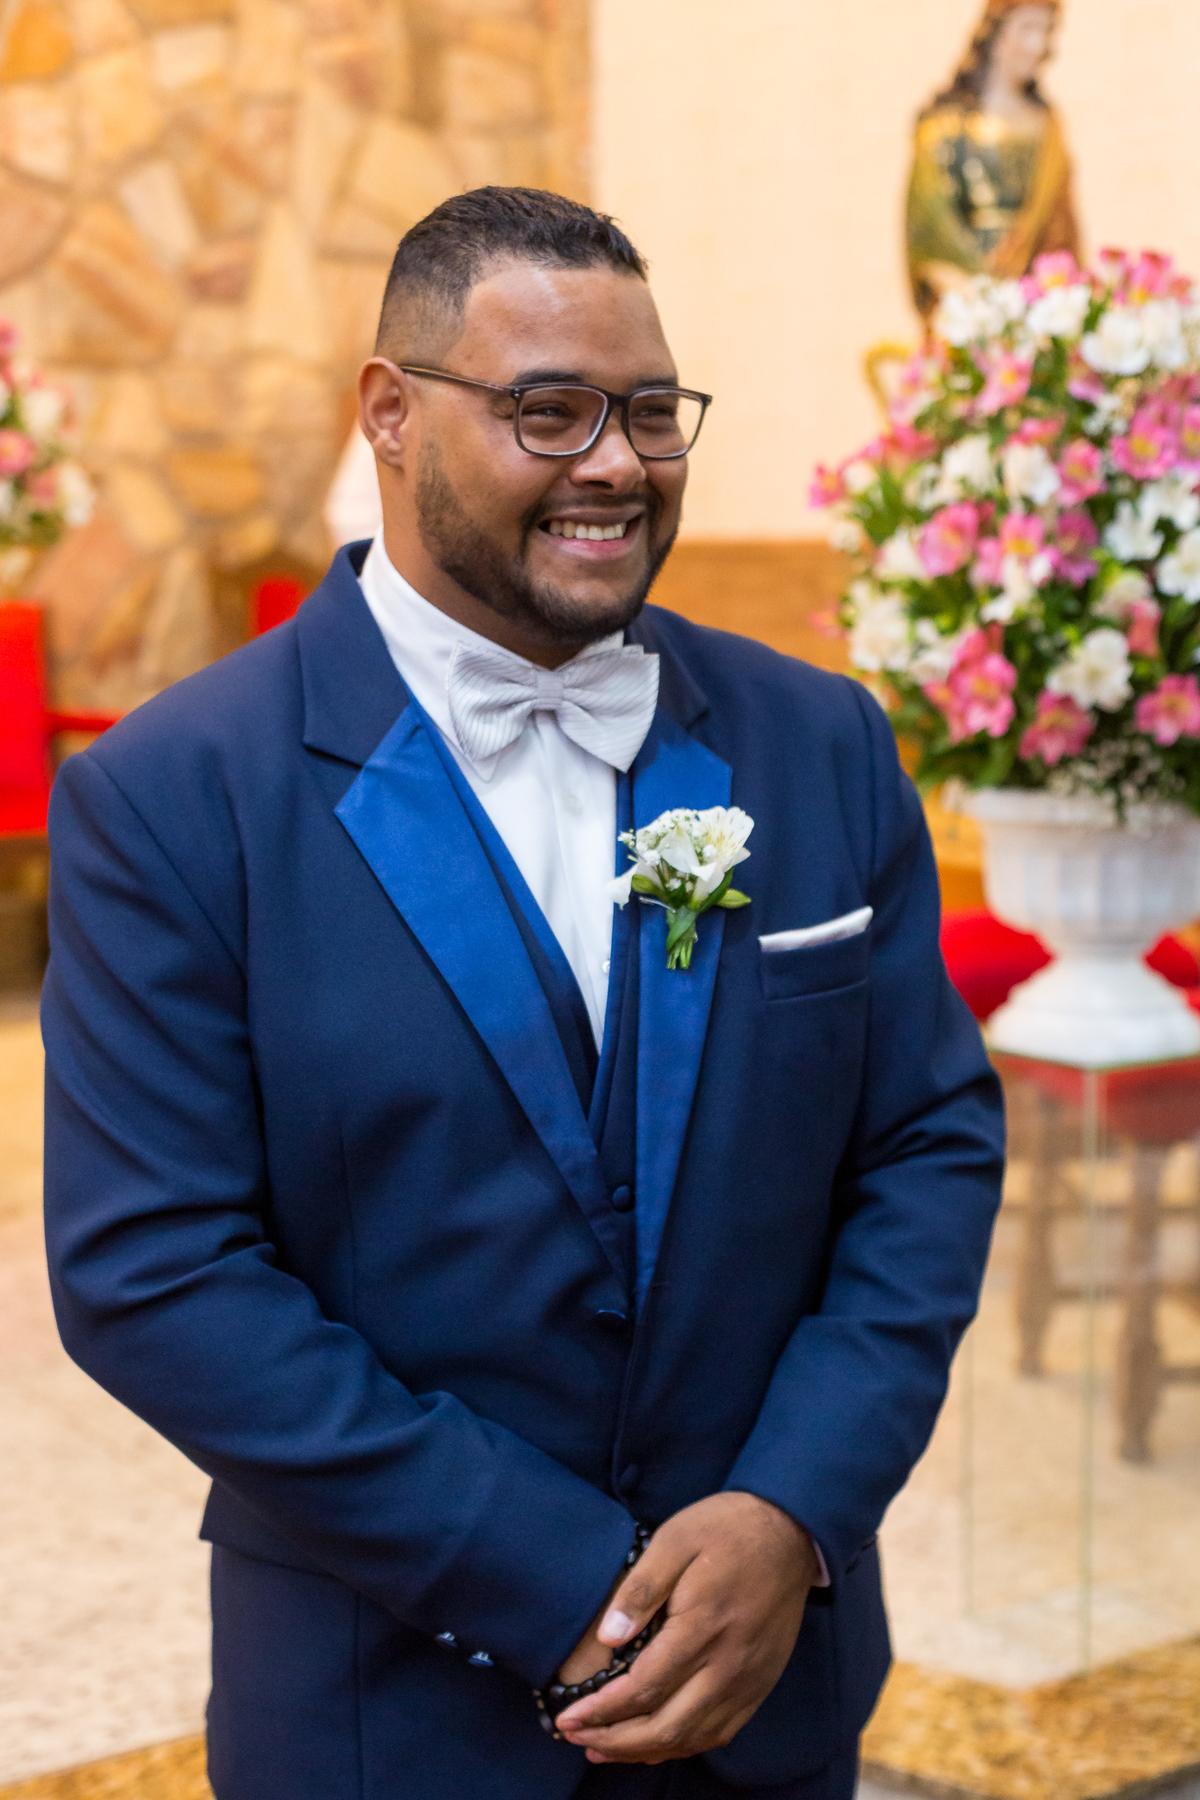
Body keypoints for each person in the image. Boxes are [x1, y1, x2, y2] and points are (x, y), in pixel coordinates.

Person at [42, 187, 1004, 1800]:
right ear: (390, 414)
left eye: (650, 411)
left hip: (767, 1681)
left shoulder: (820, 742)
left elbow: (925, 1145)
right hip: (388, 1707)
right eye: (548, 411)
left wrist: (792, 1510)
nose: (616, 462)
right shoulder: (173, 794)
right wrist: (560, 1577)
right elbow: (154, 1271)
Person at [906, 0, 1079, 318]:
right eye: (1028, 28)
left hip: (1037, 304)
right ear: (996, 31)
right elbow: (929, 229)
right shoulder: (946, 129)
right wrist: (975, 291)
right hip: (966, 302)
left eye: (1047, 32)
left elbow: (1063, 233)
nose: (1038, 45)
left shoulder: (1047, 130)